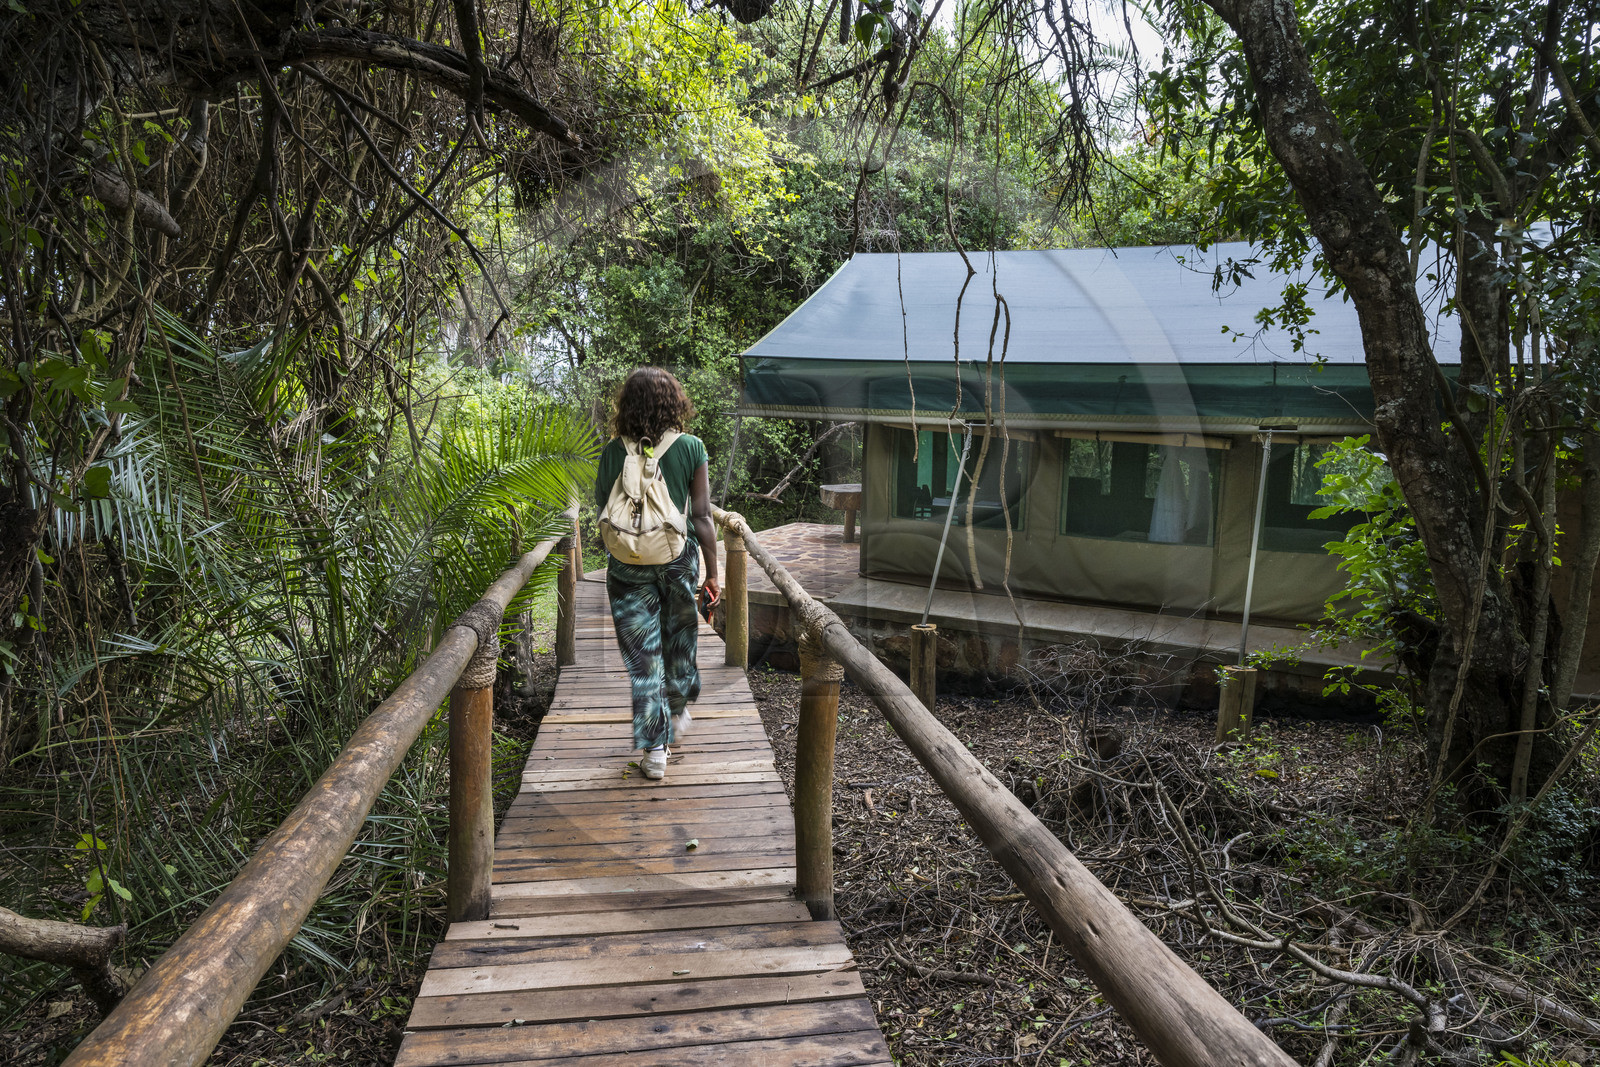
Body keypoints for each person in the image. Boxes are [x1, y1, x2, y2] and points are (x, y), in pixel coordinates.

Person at [594, 368, 720, 781]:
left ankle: (655, 748)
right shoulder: (691, 447)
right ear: (676, 403)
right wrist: (714, 574)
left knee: (644, 661)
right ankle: (677, 712)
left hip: (627, 567)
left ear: (626, 405)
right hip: (677, 562)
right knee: (679, 646)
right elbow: (700, 516)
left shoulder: (613, 451)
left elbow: (604, 514)